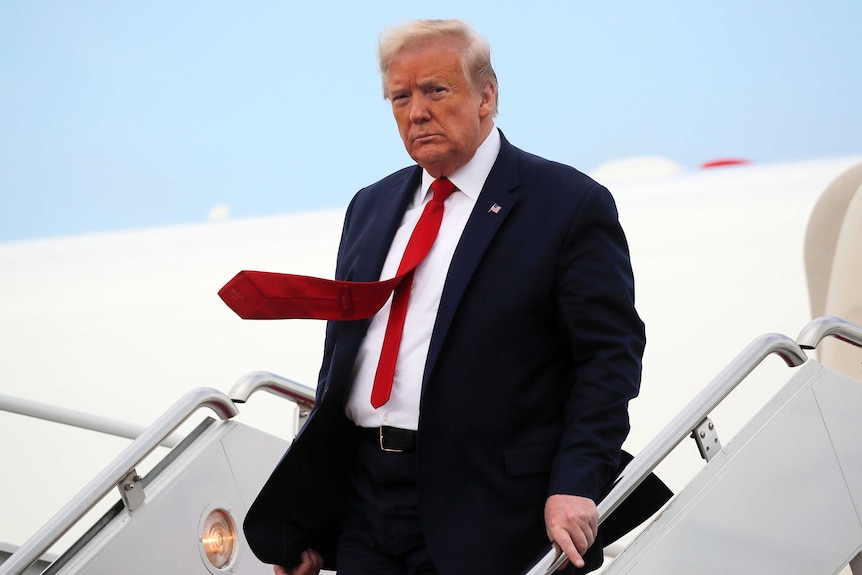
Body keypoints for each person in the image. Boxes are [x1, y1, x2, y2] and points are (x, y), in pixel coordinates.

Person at [235, 18, 646, 575]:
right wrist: (310, 517)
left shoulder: (567, 205)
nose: (417, 111)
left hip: (489, 506)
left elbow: (608, 360)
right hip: (367, 502)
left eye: (436, 90)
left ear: (487, 95)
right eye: (400, 97)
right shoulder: (370, 207)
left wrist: (576, 484)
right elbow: (342, 365)